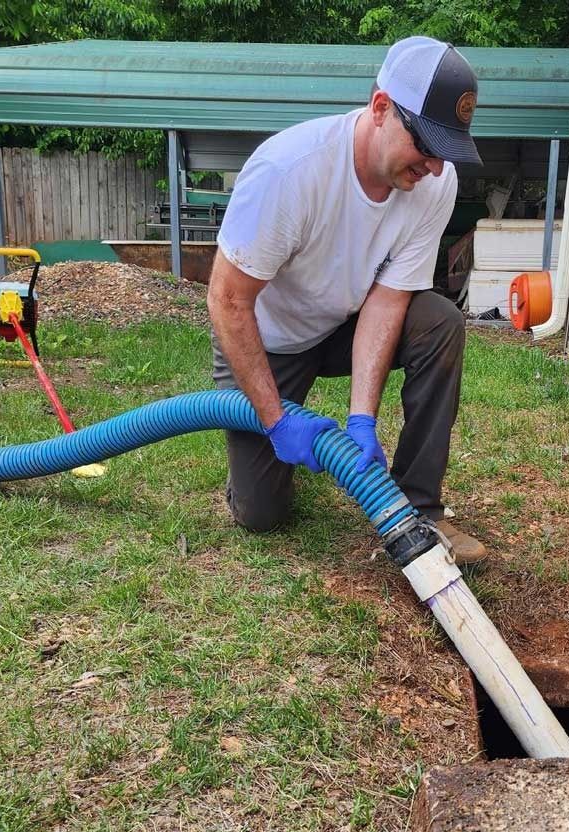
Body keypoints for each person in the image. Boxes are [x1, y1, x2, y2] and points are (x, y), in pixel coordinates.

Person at [207, 35, 487, 564]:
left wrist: (362, 419)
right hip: (267, 340)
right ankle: (261, 455)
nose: (433, 166)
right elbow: (227, 300)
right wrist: (275, 418)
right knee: (263, 515)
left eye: (445, 151)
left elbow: (387, 300)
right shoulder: (290, 171)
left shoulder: (434, 181)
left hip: (340, 323)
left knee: (439, 322)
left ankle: (420, 505)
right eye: (426, 146)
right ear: (381, 108)